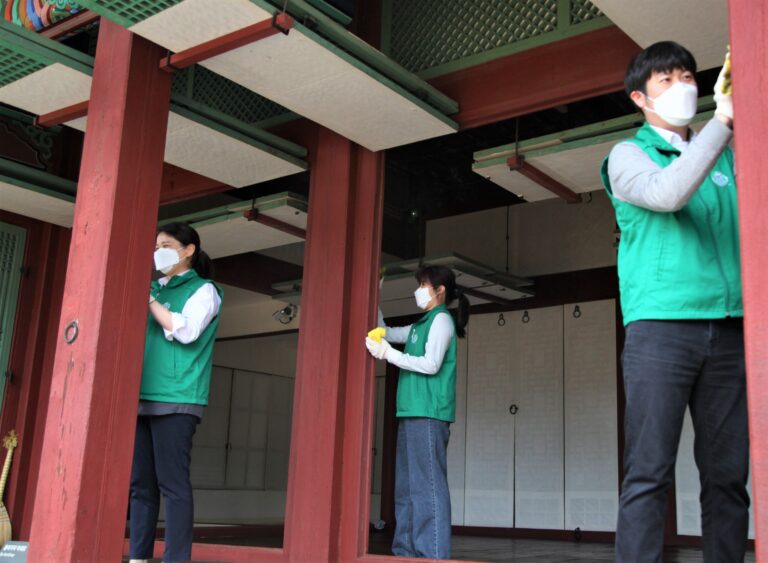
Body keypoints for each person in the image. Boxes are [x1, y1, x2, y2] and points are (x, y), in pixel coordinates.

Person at [601, 41, 747, 562]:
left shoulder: (727, 154)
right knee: (649, 472)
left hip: (729, 326)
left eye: (687, 75)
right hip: (661, 330)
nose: (681, 85)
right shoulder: (627, 155)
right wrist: (722, 123)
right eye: (665, 79)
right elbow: (667, 194)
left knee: (728, 477)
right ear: (640, 98)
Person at [129, 222, 223, 563]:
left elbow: (186, 331)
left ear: (188, 250)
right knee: (140, 485)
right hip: (140, 396)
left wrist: (150, 300)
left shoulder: (204, 290)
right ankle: (138, 557)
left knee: (172, 483)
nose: (158, 252)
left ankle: (176, 559)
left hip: (177, 398)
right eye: (156, 247)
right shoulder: (154, 288)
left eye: (166, 245)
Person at [365, 265, 469, 559]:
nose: (418, 290)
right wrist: (374, 293)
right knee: (407, 488)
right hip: (411, 411)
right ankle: (405, 551)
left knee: (427, 487)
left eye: (423, 285)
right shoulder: (420, 325)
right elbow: (384, 330)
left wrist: (389, 354)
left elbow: (430, 364)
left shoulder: (442, 320)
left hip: (429, 413)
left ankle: (431, 554)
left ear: (440, 290)